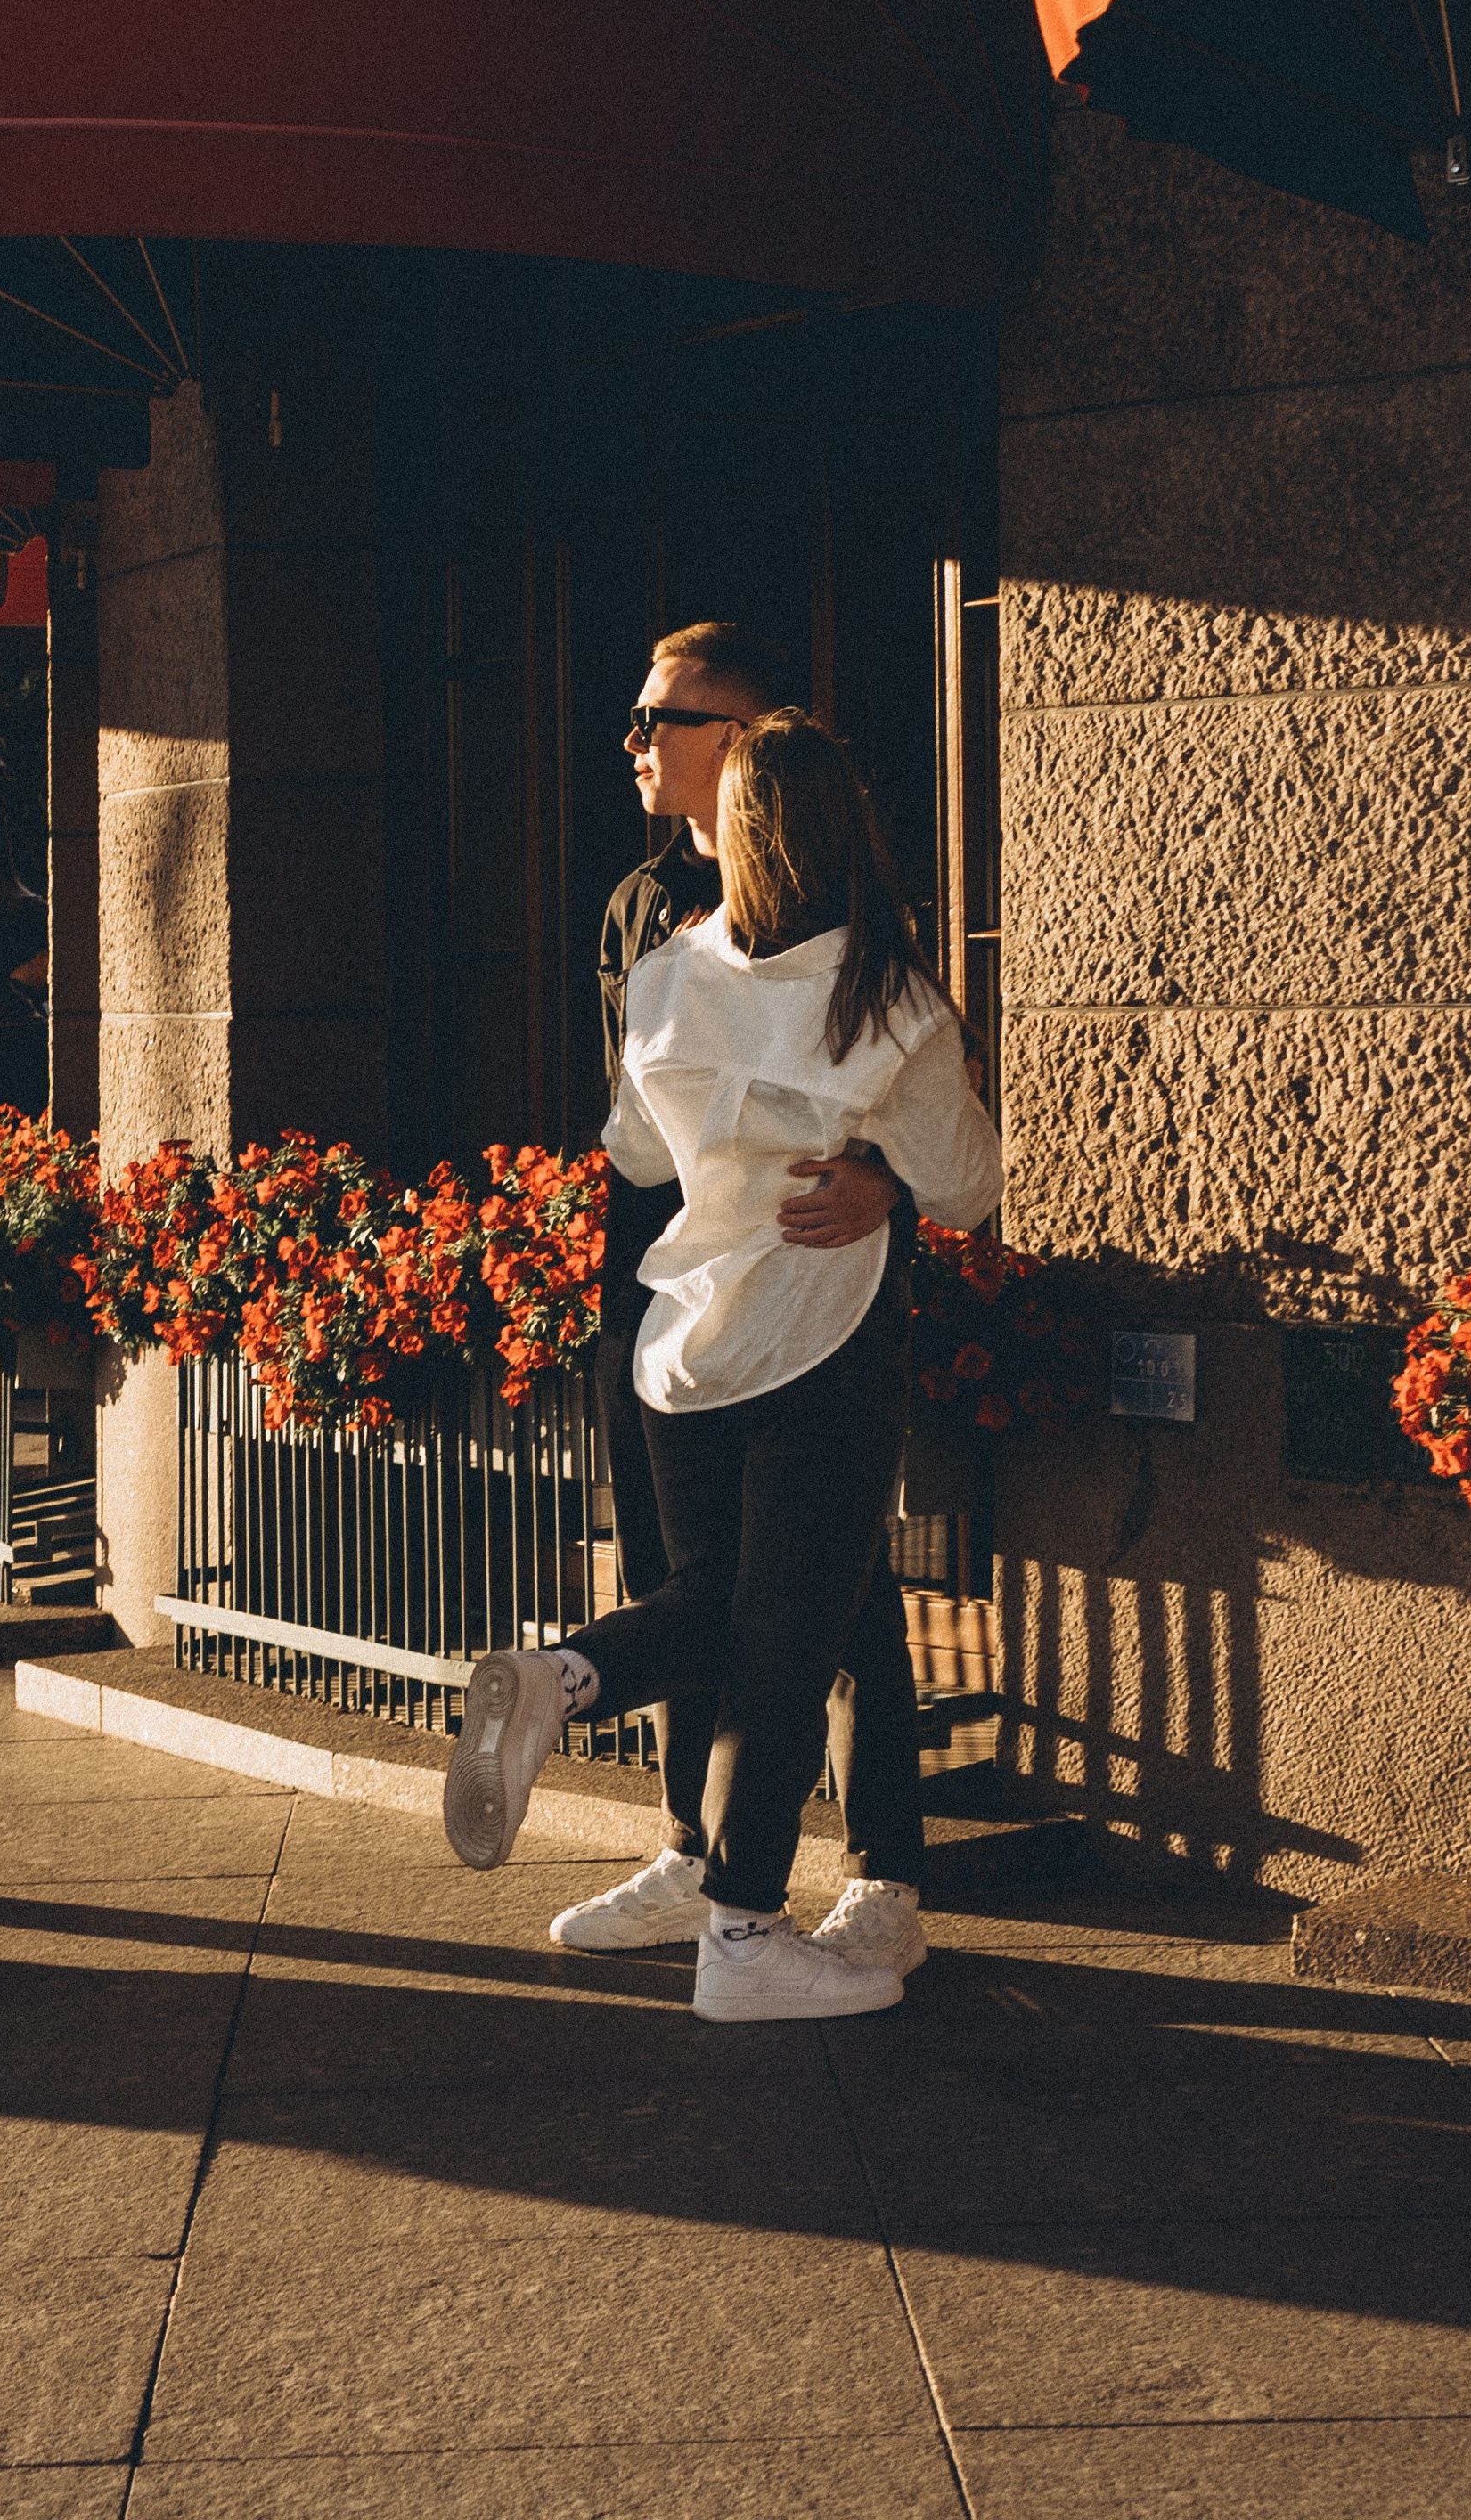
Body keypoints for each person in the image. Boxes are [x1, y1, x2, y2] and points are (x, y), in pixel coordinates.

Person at [445, 708, 1001, 2022]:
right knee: (786, 1646)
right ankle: (741, 1936)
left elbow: (638, 1153)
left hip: (681, 1343)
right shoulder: (890, 1000)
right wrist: (880, 1171)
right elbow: (970, 1186)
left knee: (721, 1607)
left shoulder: (663, 978)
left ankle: (568, 1678)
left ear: (736, 837)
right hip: (820, 1341)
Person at [552, 622, 928, 1978]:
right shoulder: (640, 909)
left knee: (842, 1595)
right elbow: (634, 1129)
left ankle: (881, 1872)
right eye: (637, 718)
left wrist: (888, 1184)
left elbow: (919, 1098)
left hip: (818, 1301)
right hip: (660, 1300)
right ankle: (692, 1854)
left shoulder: (852, 903)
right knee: (683, 1576)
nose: (635, 743)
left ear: (745, 736)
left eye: (662, 719)